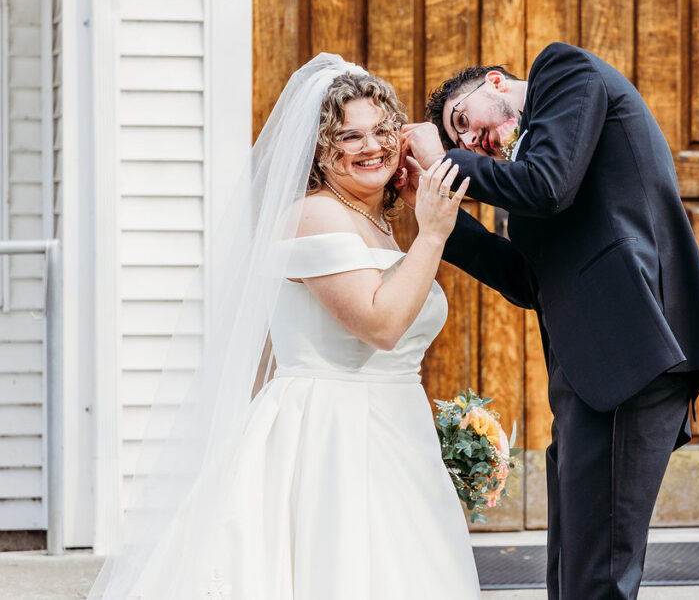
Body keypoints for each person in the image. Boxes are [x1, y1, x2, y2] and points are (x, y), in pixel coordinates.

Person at [87, 56, 480, 599]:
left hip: (394, 426)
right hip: (331, 433)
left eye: (383, 131)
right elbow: (382, 325)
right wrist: (433, 233)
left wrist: (418, 221)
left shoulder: (379, 223)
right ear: (321, 148)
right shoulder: (312, 214)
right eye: (350, 136)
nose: (373, 147)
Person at [401, 42, 699, 600]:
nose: (470, 141)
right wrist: (437, 217)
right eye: (458, 139)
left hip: (633, 356)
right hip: (594, 372)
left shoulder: (563, 70)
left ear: (495, 82)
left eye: (463, 120)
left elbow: (549, 185)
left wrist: (443, 161)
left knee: (598, 580)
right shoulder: (533, 174)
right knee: (573, 571)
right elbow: (528, 282)